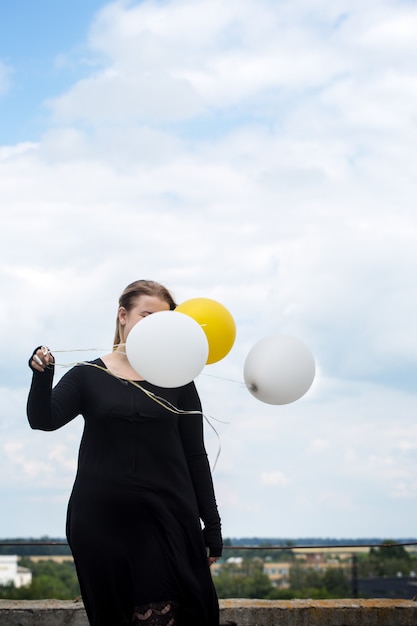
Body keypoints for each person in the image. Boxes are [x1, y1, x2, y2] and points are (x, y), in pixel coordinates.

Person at [27, 279, 223, 626]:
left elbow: (196, 455)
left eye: (161, 321)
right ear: (123, 316)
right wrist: (42, 376)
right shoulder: (88, 375)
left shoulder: (179, 379)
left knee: (182, 611)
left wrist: (212, 526)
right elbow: (43, 420)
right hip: (103, 524)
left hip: (168, 521)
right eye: (145, 316)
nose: (152, 327)